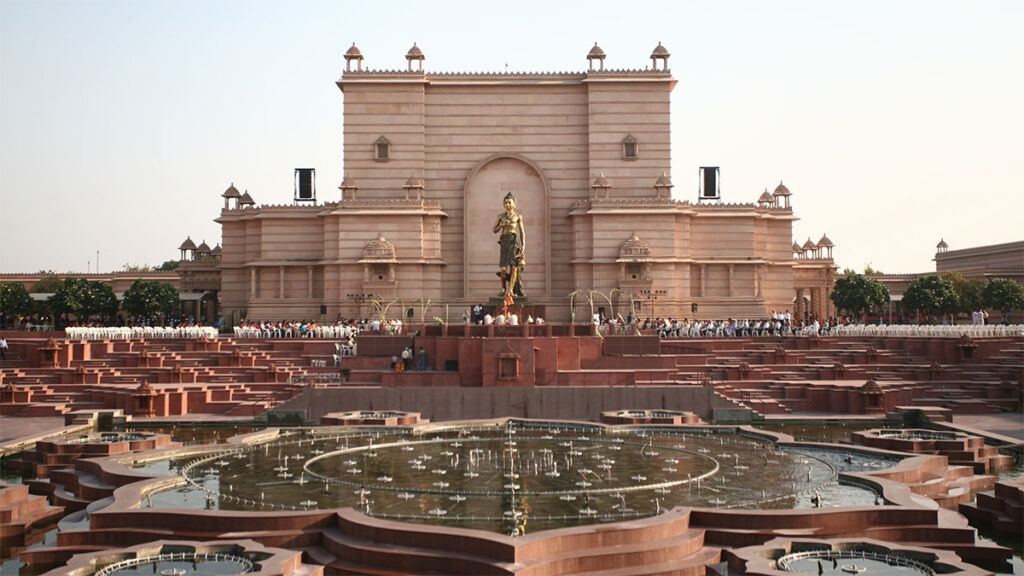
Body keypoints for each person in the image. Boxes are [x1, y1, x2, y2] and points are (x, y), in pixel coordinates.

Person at [493, 191, 526, 298]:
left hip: (513, 241)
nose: (508, 205)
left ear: (514, 204)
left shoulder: (517, 217)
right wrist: (501, 225)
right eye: (506, 203)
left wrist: (523, 245)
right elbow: (494, 230)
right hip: (504, 241)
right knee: (503, 268)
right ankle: (503, 288)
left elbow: (522, 232)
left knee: (513, 268)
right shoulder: (500, 217)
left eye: (509, 202)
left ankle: (511, 290)